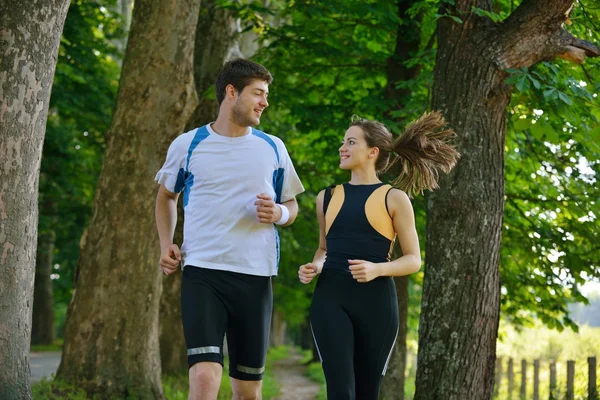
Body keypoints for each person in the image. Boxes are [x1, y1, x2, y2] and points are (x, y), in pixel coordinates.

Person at [155, 58, 304, 400]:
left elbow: (292, 206)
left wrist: (279, 212)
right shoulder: (188, 144)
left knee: (248, 392)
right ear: (231, 92)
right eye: (258, 93)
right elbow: (166, 197)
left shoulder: (273, 147)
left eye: (266, 95)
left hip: (255, 275)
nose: (265, 102)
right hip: (202, 272)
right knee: (205, 380)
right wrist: (167, 244)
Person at [298, 111, 459, 399]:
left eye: (350, 142)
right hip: (330, 299)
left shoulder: (394, 198)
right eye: (343, 142)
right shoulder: (327, 197)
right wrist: (314, 266)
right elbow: (324, 249)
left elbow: (413, 259)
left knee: (366, 392)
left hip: (377, 305)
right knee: (340, 391)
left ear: (372, 151)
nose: (342, 148)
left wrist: (376, 269)